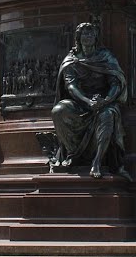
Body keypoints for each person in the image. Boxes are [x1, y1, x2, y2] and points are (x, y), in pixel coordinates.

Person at [51, 22, 130, 179]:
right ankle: (73, 153)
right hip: (81, 103)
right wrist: (87, 102)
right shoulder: (72, 60)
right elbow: (71, 87)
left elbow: (116, 82)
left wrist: (106, 100)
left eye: (90, 34)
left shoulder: (106, 57)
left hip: (104, 102)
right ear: (78, 38)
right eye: (84, 34)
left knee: (107, 115)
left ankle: (97, 161)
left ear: (96, 37)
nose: (87, 37)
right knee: (58, 110)